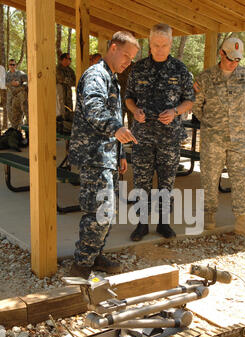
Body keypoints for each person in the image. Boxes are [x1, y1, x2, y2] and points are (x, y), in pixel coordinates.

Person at [68, 31, 140, 279]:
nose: (128, 62)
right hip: (93, 155)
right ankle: (81, 266)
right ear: (112, 47)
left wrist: (120, 152)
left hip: (107, 155)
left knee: (106, 211)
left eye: (132, 59)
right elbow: (94, 109)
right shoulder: (96, 75)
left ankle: (95, 254)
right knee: (99, 211)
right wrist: (117, 129)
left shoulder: (112, 78)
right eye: (126, 56)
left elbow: (114, 115)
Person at [125, 23, 195, 241]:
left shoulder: (180, 69)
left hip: (169, 137)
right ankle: (141, 225)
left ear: (171, 43)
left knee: (167, 181)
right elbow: (128, 97)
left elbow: (190, 99)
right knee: (141, 181)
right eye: (156, 45)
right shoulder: (138, 69)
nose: (160, 49)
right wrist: (135, 110)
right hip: (143, 136)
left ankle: (164, 223)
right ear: (150, 42)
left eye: (164, 45)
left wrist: (175, 111)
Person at [193, 37, 245, 239]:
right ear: (221, 53)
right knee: (210, 177)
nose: (234, 62)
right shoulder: (205, 78)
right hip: (212, 137)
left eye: (238, 59)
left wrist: (233, 121)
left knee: (240, 178)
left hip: (238, 137)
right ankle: (209, 216)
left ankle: (242, 221)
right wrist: (212, 123)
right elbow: (196, 106)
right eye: (231, 58)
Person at [5, 59, 28, 129]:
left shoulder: (20, 73)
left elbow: (27, 81)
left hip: (19, 96)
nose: (12, 66)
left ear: (16, 65)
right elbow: (3, 83)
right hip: (10, 96)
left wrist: (20, 84)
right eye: (10, 65)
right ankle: (14, 128)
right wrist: (10, 83)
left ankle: (21, 127)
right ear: (8, 65)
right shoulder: (6, 75)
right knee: (9, 112)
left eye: (13, 65)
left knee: (21, 111)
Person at [56, 53, 76, 121]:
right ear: (64, 59)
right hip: (60, 96)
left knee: (69, 112)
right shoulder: (57, 69)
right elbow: (61, 79)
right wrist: (68, 81)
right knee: (60, 112)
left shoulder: (70, 70)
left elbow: (74, 81)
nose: (70, 61)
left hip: (69, 96)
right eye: (69, 59)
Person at [118, 62, 134, 129]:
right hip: (121, 96)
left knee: (131, 121)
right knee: (119, 121)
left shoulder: (135, 67)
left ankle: (131, 138)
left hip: (131, 98)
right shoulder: (119, 65)